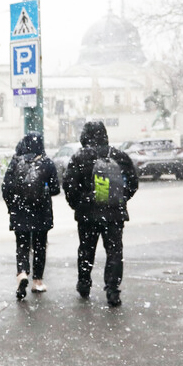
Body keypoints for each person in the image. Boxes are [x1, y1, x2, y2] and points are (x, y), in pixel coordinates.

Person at [63, 121, 138, 307]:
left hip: (88, 215)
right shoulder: (119, 156)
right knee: (114, 252)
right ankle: (112, 290)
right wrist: (119, 198)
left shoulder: (79, 157)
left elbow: (69, 185)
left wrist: (79, 204)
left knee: (86, 250)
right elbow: (133, 182)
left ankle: (84, 283)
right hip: (114, 214)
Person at [2, 131, 60, 299]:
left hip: (20, 212)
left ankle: (22, 273)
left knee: (22, 245)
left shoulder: (15, 162)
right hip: (41, 212)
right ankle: (37, 281)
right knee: (40, 246)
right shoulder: (47, 163)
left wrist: (12, 206)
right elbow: (56, 189)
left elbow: (6, 188)